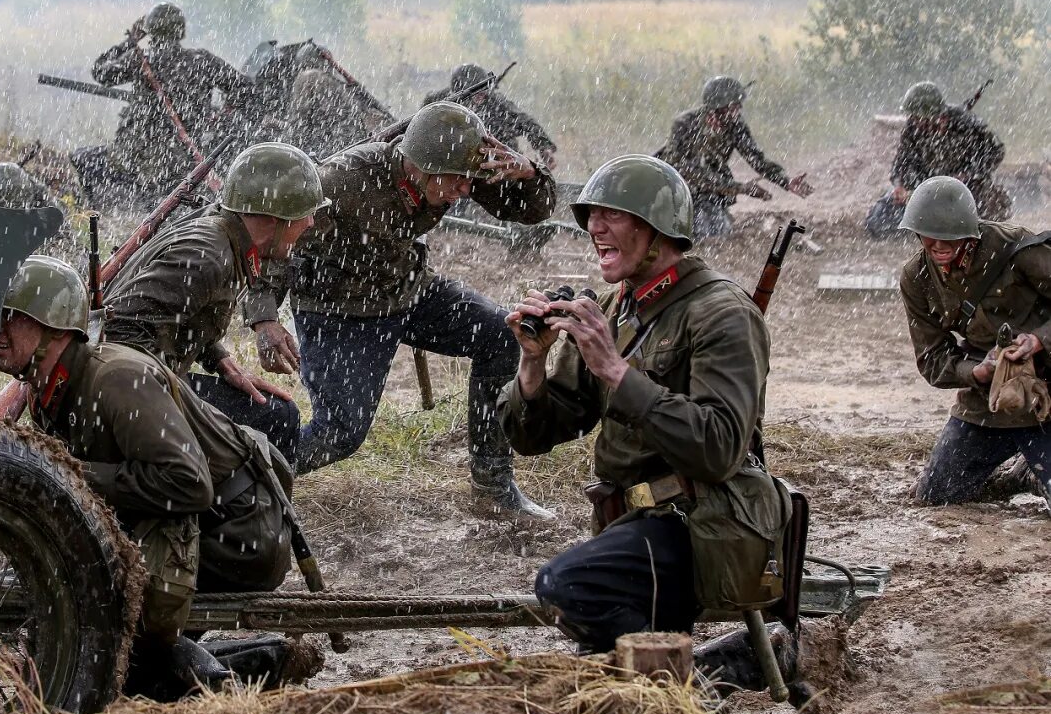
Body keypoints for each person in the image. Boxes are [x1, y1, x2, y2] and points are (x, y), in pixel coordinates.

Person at [501, 155, 788, 656]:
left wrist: (616, 371)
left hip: (706, 524)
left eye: (613, 214)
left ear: (658, 228)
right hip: (639, 521)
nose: (595, 227)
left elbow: (718, 449)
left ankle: (688, 688)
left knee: (567, 587)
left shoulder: (723, 314)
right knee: (600, 660)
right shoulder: (619, 307)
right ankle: (704, 671)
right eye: (591, 215)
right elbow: (535, 435)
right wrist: (532, 364)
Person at [0, 256, 301, 695]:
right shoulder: (48, 385)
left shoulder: (116, 379)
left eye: (14, 320)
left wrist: (70, 475)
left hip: (239, 531)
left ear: (56, 329)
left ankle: (251, 665)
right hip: (186, 524)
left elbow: (189, 483)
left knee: (103, 665)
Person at [250, 100, 558, 520]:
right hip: (337, 307)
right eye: (455, 182)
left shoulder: (453, 168)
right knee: (339, 433)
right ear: (416, 166)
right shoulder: (343, 180)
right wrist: (265, 316)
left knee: (502, 335)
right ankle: (244, 477)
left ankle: (493, 485)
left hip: (408, 289)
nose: (465, 191)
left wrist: (528, 173)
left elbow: (531, 211)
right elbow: (274, 237)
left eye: (470, 180)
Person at [102, 142, 325, 460]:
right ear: (278, 218)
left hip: (138, 385)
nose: (311, 224)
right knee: (278, 419)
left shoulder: (223, 237)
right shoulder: (209, 256)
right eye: (305, 214)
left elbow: (176, 312)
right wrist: (177, 404)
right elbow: (120, 331)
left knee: (276, 412)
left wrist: (219, 359)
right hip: (124, 396)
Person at [895, 176, 1051, 510]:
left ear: (969, 231)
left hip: (1046, 394)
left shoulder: (1016, 249)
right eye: (928, 236)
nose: (938, 245)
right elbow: (931, 358)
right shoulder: (917, 278)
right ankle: (1019, 476)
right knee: (937, 497)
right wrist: (975, 372)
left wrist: (1039, 340)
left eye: (948, 237)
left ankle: (1033, 469)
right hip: (987, 401)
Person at [73, 3, 255, 208]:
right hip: (189, 157)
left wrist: (130, 41)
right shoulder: (201, 60)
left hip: (139, 158)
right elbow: (245, 88)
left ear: (150, 31)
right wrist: (221, 114)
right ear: (180, 31)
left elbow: (100, 72)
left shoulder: (141, 60)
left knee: (81, 158)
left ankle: (95, 213)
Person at [656, 75, 812, 238]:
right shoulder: (685, 124)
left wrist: (785, 181)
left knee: (719, 232)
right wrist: (740, 188)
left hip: (709, 194)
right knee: (694, 232)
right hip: (675, 191)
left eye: (739, 105)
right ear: (717, 108)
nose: (738, 111)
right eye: (734, 106)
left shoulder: (735, 125)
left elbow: (756, 159)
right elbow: (688, 172)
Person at [866, 82, 1010, 238]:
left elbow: (996, 151)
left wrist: (967, 174)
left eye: (918, 118)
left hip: (966, 186)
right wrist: (899, 185)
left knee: (972, 222)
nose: (914, 122)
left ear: (935, 115)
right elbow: (902, 163)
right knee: (878, 219)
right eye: (913, 117)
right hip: (926, 186)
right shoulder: (913, 129)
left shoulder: (966, 124)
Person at [423, 63, 558, 172]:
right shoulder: (439, 102)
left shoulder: (495, 104)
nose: (481, 95)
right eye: (475, 92)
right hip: (455, 163)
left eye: (484, 90)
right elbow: (420, 128)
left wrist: (543, 147)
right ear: (458, 91)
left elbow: (525, 122)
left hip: (498, 162)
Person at [285, 68, 375, 159]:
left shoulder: (344, 115)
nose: (307, 92)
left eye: (309, 88)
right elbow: (293, 141)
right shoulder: (305, 119)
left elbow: (346, 149)